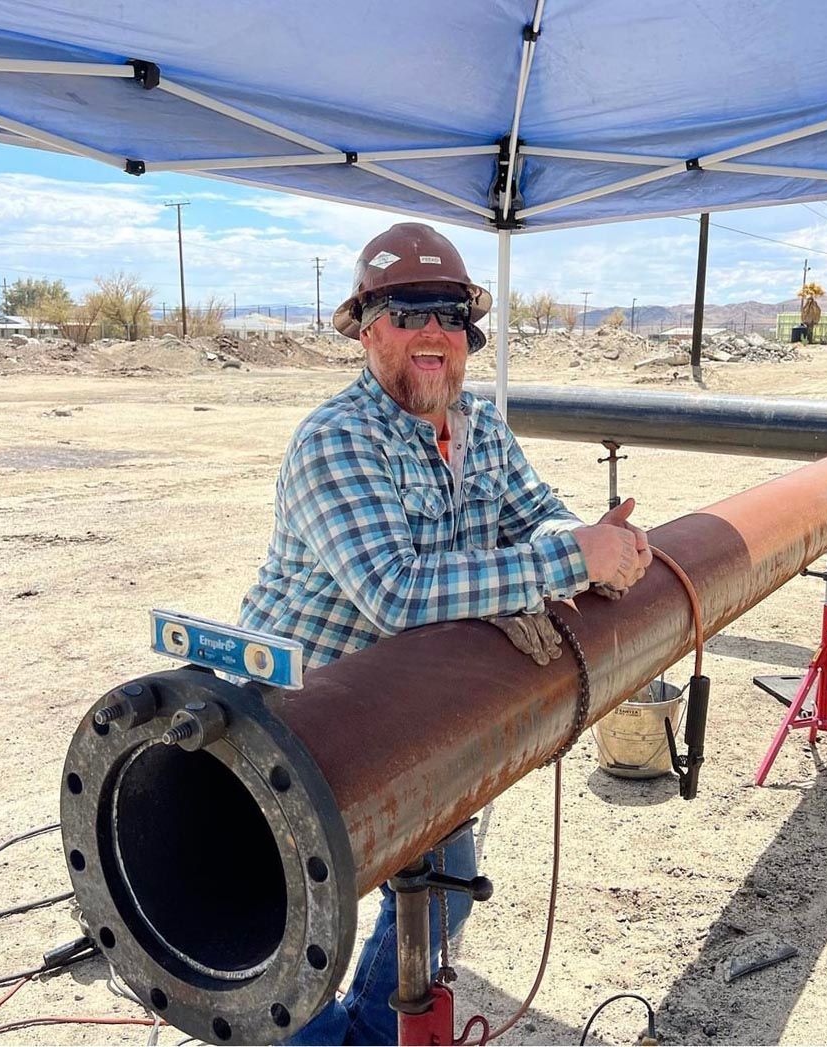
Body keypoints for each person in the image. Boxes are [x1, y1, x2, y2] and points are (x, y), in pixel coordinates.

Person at [238, 222, 652, 1045]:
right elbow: (396, 589)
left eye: (452, 316)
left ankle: (369, 1027)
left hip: (409, 713)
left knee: (445, 880)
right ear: (366, 329)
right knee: (299, 935)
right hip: (298, 719)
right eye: (408, 311)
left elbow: (533, 512)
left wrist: (592, 544)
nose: (435, 332)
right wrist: (569, 560)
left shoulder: (480, 425)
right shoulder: (337, 441)